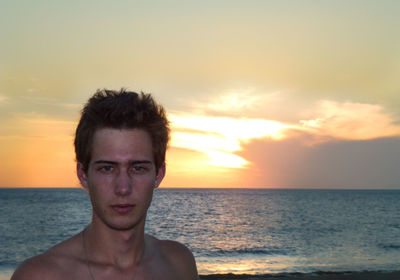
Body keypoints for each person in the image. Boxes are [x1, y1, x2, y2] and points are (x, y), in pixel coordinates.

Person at [11, 89, 198, 280]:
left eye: (138, 168)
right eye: (107, 169)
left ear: (159, 174)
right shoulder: (41, 276)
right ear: (83, 174)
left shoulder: (178, 264)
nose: (123, 188)